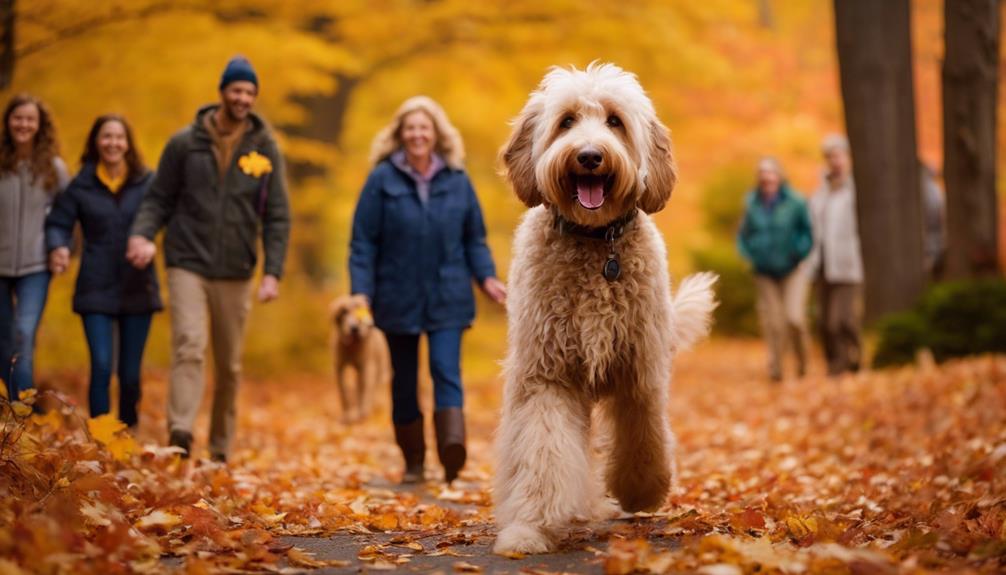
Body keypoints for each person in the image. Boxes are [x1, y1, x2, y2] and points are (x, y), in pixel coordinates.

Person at [127, 56, 291, 462]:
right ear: (222, 92)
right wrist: (143, 234)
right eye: (236, 90)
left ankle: (220, 448)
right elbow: (159, 198)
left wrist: (272, 272)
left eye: (250, 92)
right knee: (189, 345)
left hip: (236, 269)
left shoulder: (265, 149)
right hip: (187, 261)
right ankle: (180, 432)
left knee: (230, 366)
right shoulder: (185, 142)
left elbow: (277, 215)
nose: (243, 98)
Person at [349, 96, 506, 484]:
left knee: (444, 369)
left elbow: (475, 238)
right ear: (400, 135)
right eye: (410, 128)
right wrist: (361, 293)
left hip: (448, 293)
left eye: (424, 128)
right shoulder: (381, 179)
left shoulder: (457, 179)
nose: (417, 134)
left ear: (436, 135)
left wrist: (486, 278)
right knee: (403, 380)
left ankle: (452, 451)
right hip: (395, 294)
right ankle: (415, 461)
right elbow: (362, 242)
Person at [45, 115, 162, 429]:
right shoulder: (81, 185)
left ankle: (127, 433)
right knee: (100, 366)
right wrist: (59, 247)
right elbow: (59, 222)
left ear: (128, 144)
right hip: (95, 286)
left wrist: (151, 243)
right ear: (96, 142)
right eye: (106, 137)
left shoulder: (146, 182)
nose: (113, 143)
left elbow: (163, 216)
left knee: (130, 374)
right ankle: (100, 440)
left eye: (119, 137)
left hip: (138, 285)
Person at [0, 94, 70, 402]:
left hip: (35, 267)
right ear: (8, 122)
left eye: (30, 119)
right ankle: (7, 412)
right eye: (18, 118)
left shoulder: (53, 168)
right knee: (3, 340)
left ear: (40, 126)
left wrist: (61, 248)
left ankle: (24, 414)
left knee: (22, 336)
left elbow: (66, 215)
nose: (23, 124)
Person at [738, 157, 813, 382]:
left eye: (771, 172)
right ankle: (776, 369)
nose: (767, 177)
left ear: (779, 176)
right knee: (773, 323)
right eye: (763, 173)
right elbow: (744, 236)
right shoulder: (751, 203)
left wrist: (798, 252)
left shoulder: (796, 202)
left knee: (794, 318)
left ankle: (802, 364)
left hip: (792, 269)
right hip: (764, 272)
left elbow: (807, 232)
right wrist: (751, 255)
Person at [808, 134, 863, 376]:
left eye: (838, 155)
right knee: (824, 324)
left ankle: (852, 358)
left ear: (847, 158)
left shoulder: (854, 192)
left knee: (841, 320)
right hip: (823, 266)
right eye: (830, 156)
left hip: (848, 265)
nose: (835, 161)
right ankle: (835, 365)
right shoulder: (820, 194)